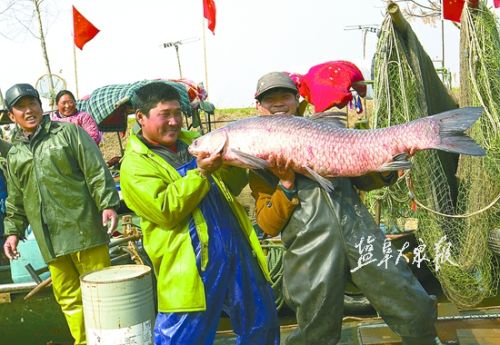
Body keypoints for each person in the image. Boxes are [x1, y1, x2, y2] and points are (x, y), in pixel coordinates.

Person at [249, 72, 440, 345]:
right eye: (270, 100)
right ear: (259, 107)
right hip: (309, 248)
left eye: (285, 96)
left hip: (359, 232)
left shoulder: (322, 131)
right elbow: (267, 224)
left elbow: (364, 178)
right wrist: (286, 182)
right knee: (316, 329)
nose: (278, 103)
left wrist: (388, 165)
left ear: (297, 101)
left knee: (411, 302)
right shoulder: (256, 161)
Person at [119, 82, 279, 345]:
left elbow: (233, 186)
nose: (173, 121)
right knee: (182, 338)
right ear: (141, 117)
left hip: (235, 249)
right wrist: (202, 172)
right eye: (164, 114)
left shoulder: (194, 143)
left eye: (177, 113)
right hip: (188, 266)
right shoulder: (135, 165)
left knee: (260, 324)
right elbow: (166, 210)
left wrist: (233, 164)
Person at [2, 83, 120, 345]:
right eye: (20, 107)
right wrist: (12, 231)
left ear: (41, 106)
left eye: (32, 103)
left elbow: (96, 170)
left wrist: (108, 204)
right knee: (68, 298)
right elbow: (15, 199)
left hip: (85, 229)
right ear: (12, 116)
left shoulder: (69, 133)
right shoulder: (15, 154)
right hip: (50, 241)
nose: (28, 110)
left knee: (101, 294)